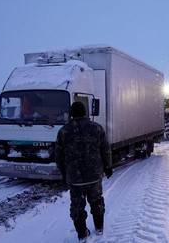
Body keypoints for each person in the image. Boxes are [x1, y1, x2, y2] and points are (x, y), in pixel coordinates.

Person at [55, 101, 113, 242]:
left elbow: (58, 156)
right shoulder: (97, 128)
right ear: (85, 113)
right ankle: (99, 227)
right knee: (97, 200)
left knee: (77, 205)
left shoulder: (64, 131)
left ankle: (82, 233)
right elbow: (105, 150)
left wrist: (64, 174)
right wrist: (108, 167)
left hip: (75, 178)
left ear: (72, 114)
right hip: (94, 175)